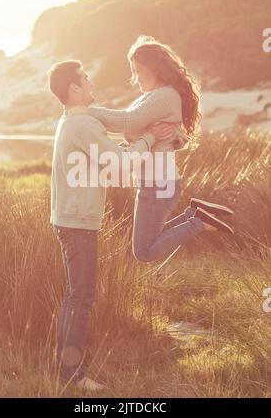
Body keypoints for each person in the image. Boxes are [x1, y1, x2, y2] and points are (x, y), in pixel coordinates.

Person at [47, 59, 172, 392]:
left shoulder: (70, 122)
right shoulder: (83, 124)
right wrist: (148, 138)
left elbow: (109, 160)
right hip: (78, 224)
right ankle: (73, 375)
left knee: (77, 296)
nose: (90, 83)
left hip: (71, 220)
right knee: (81, 297)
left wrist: (133, 145)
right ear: (73, 88)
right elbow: (121, 166)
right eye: (85, 79)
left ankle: (64, 366)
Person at [88, 35, 234, 264]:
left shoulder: (164, 95)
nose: (135, 78)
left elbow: (128, 122)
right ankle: (194, 215)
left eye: (138, 71)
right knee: (149, 241)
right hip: (157, 182)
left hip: (157, 183)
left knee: (143, 251)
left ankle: (197, 222)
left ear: (154, 68)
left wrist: (85, 111)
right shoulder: (152, 97)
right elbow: (136, 128)